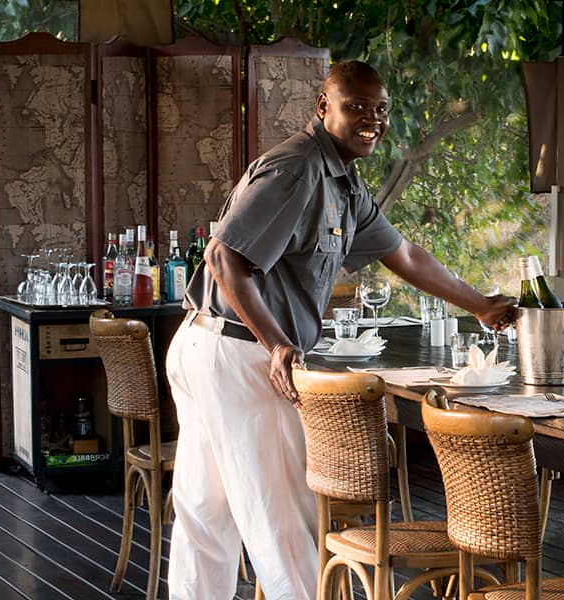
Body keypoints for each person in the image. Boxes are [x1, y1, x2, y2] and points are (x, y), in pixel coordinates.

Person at [163, 60, 518, 599]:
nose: (372, 119)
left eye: (381, 109)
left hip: (210, 344)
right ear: (323, 107)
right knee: (283, 524)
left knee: (207, 520)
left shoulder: (344, 183)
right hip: (238, 355)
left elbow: (405, 255)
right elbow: (222, 257)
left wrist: (482, 305)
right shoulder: (299, 169)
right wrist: (278, 344)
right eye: (356, 107)